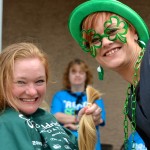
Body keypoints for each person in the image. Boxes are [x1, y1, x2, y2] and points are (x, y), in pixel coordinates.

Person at [68, 0, 150, 149]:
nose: (105, 42)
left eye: (112, 31)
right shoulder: (133, 101)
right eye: (94, 40)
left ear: (134, 32)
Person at [0, 42, 102, 150]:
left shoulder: (44, 117)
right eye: (21, 82)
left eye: (39, 81)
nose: (32, 92)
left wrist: (84, 124)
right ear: (2, 82)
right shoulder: (8, 123)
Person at [50, 58, 106, 150]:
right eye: (74, 72)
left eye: (81, 72)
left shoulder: (94, 95)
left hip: (90, 146)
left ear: (86, 76)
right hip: (65, 144)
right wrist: (78, 118)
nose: (77, 75)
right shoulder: (60, 96)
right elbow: (55, 116)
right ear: (68, 75)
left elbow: (98, 120)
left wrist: (75, 126)